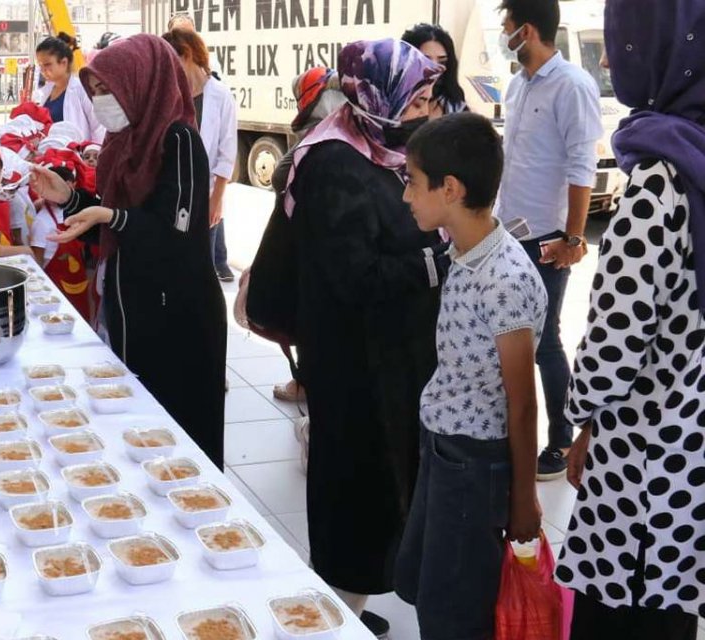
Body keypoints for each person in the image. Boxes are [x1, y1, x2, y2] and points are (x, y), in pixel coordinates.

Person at [283, 39, 444, 637]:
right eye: (419, 99)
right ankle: (331, 616)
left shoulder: (377, 147)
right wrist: (434, 261)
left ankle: (344, 600)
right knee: (355, 487)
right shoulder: (334, 162)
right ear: (379, 97)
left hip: (386, 357)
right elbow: (354, 276)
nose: (426, 111)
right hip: (353, 365)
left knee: (379, 486)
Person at [557, 1, 705, 636]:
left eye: (623, 44)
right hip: (690, 450)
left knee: (625, 615)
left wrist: (578, 417)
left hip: (642, 464)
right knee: (670, 611)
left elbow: (613, 347)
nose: (614, 58)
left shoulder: (658, 184)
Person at [34, 34, 228, 468]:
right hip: (133, 309)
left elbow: (173, 236)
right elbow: (112, 221)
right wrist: (68, 197)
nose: (103, 101)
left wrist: (110, 217)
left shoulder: (178, 141)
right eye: (97, 91)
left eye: (110, 90)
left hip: (178, 319)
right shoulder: (123, 145)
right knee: (138, 442)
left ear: (144, 82)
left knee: (180, 448)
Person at [394, 112, 547, 639]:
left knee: (454, 611)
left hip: (474, 463)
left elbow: (523, 403)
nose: (407, 196)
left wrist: (524, 497)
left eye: (412, 182)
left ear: (450, 188)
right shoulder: (463, 252)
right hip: (443, 446)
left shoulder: (503, 280)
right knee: (424, 583)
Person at [494, 0, 603, 481]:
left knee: (544, 343)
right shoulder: (519, 84)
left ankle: (561, 438)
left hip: (546, 240)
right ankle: (510, 430)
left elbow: (583, 167)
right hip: (507, 234)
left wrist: (574, 238)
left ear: (528, 30)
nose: (504, 33)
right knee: (506, 338)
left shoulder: (573, 86)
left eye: (508, 26)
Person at [270, 66, 346, 407]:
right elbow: (281, 177)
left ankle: (309, 381)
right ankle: (306, 380)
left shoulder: (331, 136)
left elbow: (281, 176)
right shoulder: (323, 133)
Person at [163, 28, 237, 283]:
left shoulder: (220, 94)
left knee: (201, 270)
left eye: (172, 62)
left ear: (186, 55)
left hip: (205, 195)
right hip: (172, 194)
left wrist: (216, 200)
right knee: (175, 267)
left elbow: (227, 152)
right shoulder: (171, 95)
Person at [31, 150, 94, 322]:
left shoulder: (77, 214)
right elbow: (37, 263)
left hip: (79, 284)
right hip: (54, 288)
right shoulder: (42, 222)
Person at [34, 33, 104, 142]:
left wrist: (93, 153)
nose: (43, 70)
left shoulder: (82, 89)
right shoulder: (43, 93)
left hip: (78, 155)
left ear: (64, 63)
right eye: (40, 65)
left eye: (47, 65)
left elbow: (99, 127)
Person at [402, 24, 469, 117]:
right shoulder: (389, 106)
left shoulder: (455, 107)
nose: (435, 69)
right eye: (425, 61)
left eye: (442, 62)